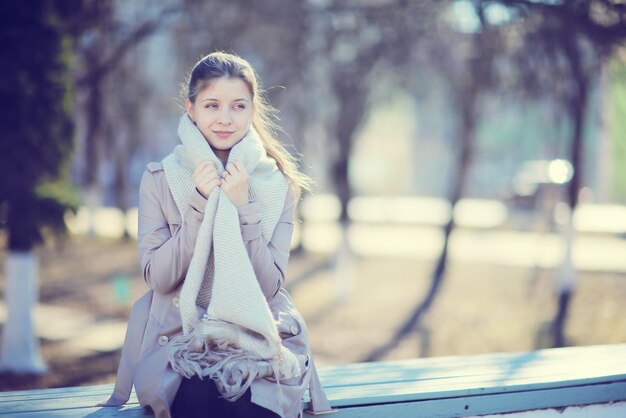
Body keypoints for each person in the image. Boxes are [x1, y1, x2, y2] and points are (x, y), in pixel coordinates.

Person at [102, 52, 333, 418]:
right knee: (196, 397)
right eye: (212, 105)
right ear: (190, 108)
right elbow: (159, 279)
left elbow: (269, 285)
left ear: (252, 109)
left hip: (258, 337)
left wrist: (243, 210)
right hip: (181, 340)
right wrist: (198, 205)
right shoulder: (160, 179)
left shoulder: (278, 185)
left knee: (254, 407)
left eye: (238, 106)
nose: (225, 118)